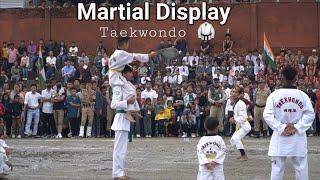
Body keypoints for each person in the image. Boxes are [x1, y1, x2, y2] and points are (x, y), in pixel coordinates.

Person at [263, 65, 315, 180]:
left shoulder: (274, 95)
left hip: (280, 135)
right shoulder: (303, 96)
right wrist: (296, 127)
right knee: (301, 168)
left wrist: (281, 128)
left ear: (281, 77)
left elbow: (267, 115)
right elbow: (310, 114)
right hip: (297, 135)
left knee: (277, 168)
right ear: (296, 78)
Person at [108, 36, 156, 122]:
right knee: (129, 92)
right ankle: (128, 112)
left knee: (132, 88)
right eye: (128, 43)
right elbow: (134, 56)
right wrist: (148, 56)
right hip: (116, 79)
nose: (128, 45)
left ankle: (132, 111)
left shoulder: (116, 54)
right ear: (124, 44)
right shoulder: (120, 53)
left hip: (116, 76)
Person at [110, 62, 137, 180]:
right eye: (130, 72)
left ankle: (120, 172)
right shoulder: (118, 85)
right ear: (125, 73)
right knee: (119, 149)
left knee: (122, 149)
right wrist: (127, 103)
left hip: (125, 118)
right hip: (121, 118)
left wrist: (134, 111)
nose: (132, 74)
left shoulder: (127, 84)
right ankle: (118, 174)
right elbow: (113, 104)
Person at [229, 85, 251, 161]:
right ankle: (242, 153)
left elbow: (244, 117)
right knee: (232, 140)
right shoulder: (236, 103)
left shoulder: (241, 104)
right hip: (240, 126)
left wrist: (234, 120)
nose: (233, 93)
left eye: (235, 92)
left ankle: (244, 155)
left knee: (235, 139)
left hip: (245, 126)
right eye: (233, 92)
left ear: (240, 94)